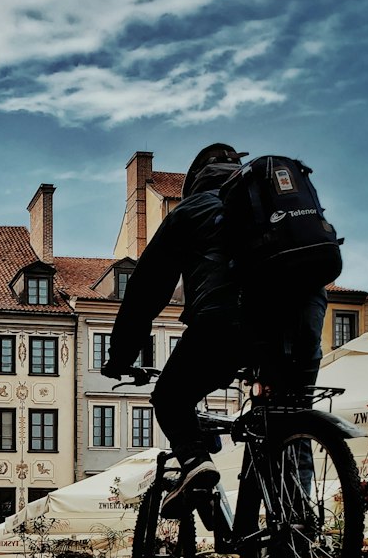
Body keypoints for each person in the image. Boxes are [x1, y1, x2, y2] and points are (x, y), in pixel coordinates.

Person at [102, 143, 329, 513]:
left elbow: (146, 290)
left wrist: (121, 356)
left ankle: (195, 463)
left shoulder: (190, 210)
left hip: (230, 323)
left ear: (194, 180)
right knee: (293, 424)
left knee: (170, 397)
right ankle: (297, 529)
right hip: (304, 319)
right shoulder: (274, 203)